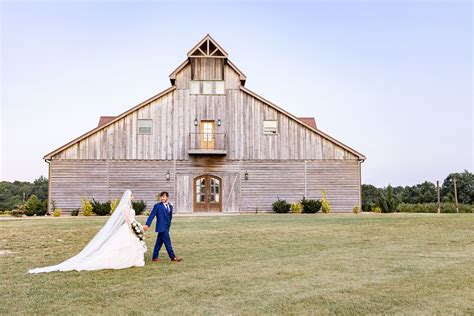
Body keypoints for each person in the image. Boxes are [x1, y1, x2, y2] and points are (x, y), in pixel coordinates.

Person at [28, 190, 146, 273]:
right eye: (132, 196)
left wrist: (136, 226)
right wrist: (133, 227)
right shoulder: (125, 207)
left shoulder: (131, 207)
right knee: (123, 245)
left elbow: (132, 219)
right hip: (128, 228)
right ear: (128, 197)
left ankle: (134, 260)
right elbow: (127, 219)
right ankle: (125, 260)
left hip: (132, 226)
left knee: (131, 244)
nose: (133, 197)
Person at [144, 191, 182, 262]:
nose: (162, 198)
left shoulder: (170, 206)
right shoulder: (157, 206)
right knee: (168, 242)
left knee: (159, 243)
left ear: (167, 197)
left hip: (166, 228)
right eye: (161, 197)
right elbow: (151, 215)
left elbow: (170, 217)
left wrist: (168, 226)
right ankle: (173, 257)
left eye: (163, 197)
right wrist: (147, 224)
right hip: (161, 227)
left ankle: (154, 257)